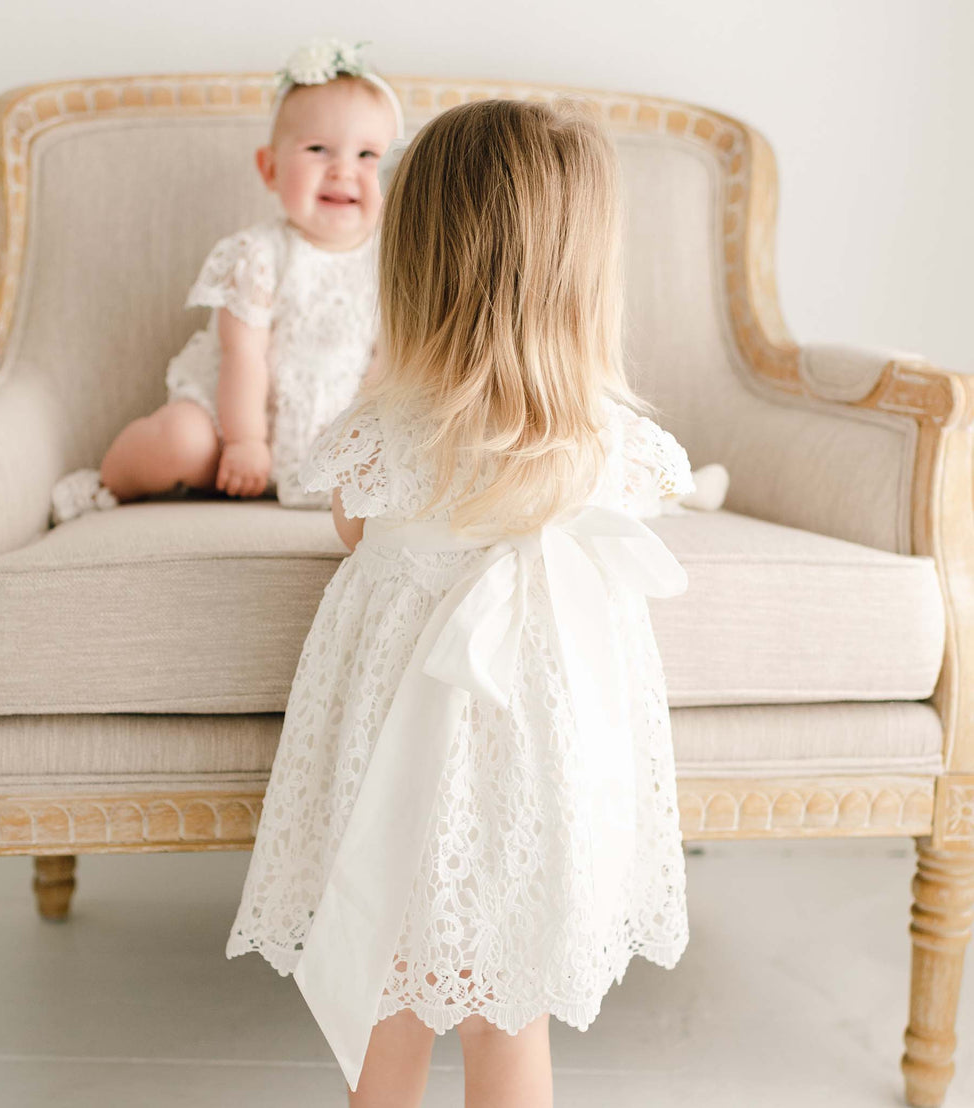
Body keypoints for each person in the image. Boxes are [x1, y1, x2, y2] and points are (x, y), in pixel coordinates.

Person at [225, 97, 696, 1108]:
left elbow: (350, 525)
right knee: (508, 1014)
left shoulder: (380, 435)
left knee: (384, 1002)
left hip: (400, 761)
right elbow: (657, 499)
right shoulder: (613, 445)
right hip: (535, 771)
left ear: (414, 267)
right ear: (585, 280)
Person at [50, 39, 404, 524]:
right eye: (318, 149)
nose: (342, 169)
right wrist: (245, 443)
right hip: (231, 421)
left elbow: (387, 367)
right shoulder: (256, 255)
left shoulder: (393, 266)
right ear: (271, 168)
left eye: (367, 155)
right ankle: (112, 477)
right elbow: (244, 355)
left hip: (330, 430)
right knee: (182, 442)